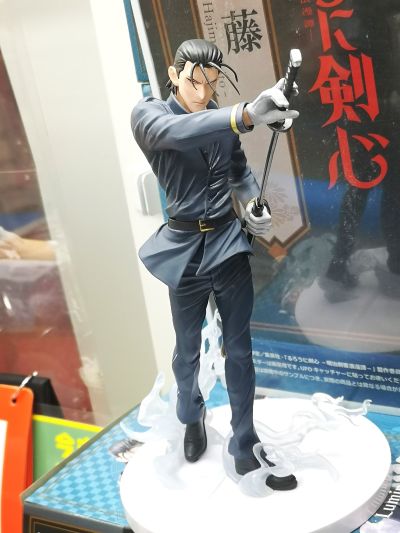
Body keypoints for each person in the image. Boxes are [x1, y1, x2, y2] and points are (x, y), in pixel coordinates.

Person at [131, 39, 299, 490]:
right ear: (173, 75)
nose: (203, 92)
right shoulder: (149, 115)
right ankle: (191, 413)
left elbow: (239, 172)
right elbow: (177, 133)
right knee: (187, 352)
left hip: (227, 243)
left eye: (211, 83)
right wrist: (245, 114)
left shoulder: (221, 120)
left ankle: (244, 442)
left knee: (240, 349)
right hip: (184, 250)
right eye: (194, 81)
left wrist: (254, 206)